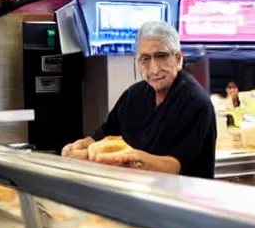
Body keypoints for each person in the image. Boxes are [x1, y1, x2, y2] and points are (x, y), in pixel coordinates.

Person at [61, 21, 216, 178]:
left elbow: (175, 166)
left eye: (161, 56)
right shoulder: (133, 96)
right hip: (139, 196)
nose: (154, 69)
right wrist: (82, 145)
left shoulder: (196, 102)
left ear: (178, 59)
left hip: (181, 198)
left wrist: (132, 157)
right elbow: (103, 135)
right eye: (145, 59)